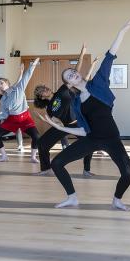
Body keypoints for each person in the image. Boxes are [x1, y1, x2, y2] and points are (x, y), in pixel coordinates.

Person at [37, 18, 130, 210]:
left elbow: (110, 56)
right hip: (91, 138)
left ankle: (117, 200)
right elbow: (83, 129)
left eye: (72, 72)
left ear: (78, 75)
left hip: (111, 138)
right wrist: (59, 127)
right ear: (69, 84)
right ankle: (72, 197)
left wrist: (122, 32)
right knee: (57, 163)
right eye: (67, 77)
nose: (72, 75)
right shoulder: (76, 102)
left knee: (128, 173)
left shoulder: (98, 83)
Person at [33, 45, 98, 176]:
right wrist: (51, 121)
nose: (45, 90)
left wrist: (82, 54)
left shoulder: (63, 90)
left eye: (44, 88)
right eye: (41, 91)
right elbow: (57, 122)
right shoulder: (49, 108)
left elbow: (75, 71)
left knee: (90, 141)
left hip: (77, 122)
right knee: (42, 143)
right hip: (64, 125)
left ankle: (86, 170)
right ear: (42, 97)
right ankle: (46, 169)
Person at [0, 59, 41, 163]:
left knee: (36, 136)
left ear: (7, 83)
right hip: (12, 119)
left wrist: (32, 65)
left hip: (25, 118)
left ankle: (33, 157)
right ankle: (4, 157)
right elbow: (4, 114)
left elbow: (27, 76)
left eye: (1, 83)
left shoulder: (18, 88)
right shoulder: (3, 99)